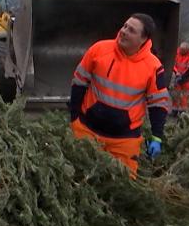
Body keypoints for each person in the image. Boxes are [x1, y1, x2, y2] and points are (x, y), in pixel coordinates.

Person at [69, 13, 171, 176]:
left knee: (124, 188)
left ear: (143, 39)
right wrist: (74, 117)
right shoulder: (99, 49)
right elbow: (79, 82)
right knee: (77, 178)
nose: (123, 31)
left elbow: (158, 104)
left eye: (131, 30)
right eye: (124, 26)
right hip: (87, 131)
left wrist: (157, 137)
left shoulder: (153, 67)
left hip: (124, 141)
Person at [171, 41, 189, 116]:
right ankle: (174, 111)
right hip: (178, 75)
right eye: (181, 50)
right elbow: (172, 64)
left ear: (187, 50)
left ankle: (183, 112)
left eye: (183, 51)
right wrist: (177, 73)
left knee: (184, 95)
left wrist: (182, 77)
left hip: (186, 78)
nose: (181, 52)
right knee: (175, 94)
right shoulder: (176, 52)